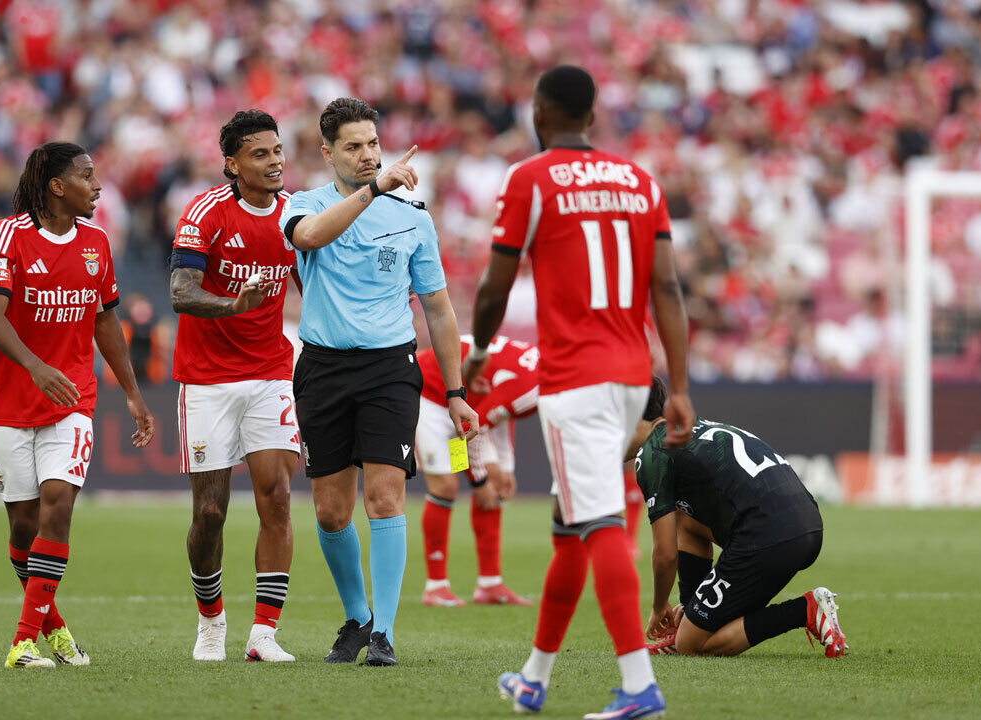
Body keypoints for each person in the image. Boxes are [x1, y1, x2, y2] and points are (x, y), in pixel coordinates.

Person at [462, 66, 695, 720]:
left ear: (539, 110)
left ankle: (639, 686)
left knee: (595, 526)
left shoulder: (529, 179)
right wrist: (677, 387)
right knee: (571, 528)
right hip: (631, 376)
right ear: (592, 114)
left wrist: (477, 352)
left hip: (573, 381)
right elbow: (669, 290)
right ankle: (534, 679)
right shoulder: (640, 181)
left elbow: (494, 288)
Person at [278, 97, 478, 667]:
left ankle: (385, 632)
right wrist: (374, 192)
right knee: (330, 512)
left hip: (391, 367)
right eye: (353, 147)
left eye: (373, 144)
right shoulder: (303, 203)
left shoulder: (414, 216)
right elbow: (310, 238)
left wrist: (458, 393)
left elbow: (438, 311)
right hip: (322, 368)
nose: (368, 155)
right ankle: (358, 616)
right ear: (327, 152)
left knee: (385, 497)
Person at [0, 141, 155, 670]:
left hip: (74, 396)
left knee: (59, 503)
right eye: (87, 176)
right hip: (10, 401)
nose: (98, 186)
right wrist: (34, 365)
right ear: (57, 186)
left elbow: (105, 322)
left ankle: (22, 641)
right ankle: (54, 630)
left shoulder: (98, 242)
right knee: (23, 529)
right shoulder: (8, 236)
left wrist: (133, 393)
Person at [168, 110, 300, 663]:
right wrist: (232, 304)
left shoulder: (297, 214)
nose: (274, 163)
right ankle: (211, 621)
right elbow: (180, 289)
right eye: (260, 154)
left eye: (277, 152)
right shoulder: (206, 213)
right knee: (211, 513)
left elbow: (313, 281)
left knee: (276, 495)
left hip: (271, 371)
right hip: (208, 380)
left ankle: (263, 633)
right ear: (232, 163)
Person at [630, 377, 848, 659]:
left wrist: (659, 607)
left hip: (767, 535)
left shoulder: (652, 452)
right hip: (807, 523)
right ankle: (690, 616)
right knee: (684, 517)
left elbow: (666, 554)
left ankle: (805, 610)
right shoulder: (696, 425)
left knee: (690, 646)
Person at [416, 334, 536, 607]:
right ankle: (435, 586)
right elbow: (472, 431)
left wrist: (506, 468)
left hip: (467, 409)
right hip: (432, 396)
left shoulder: (535, 378)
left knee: (498, 480)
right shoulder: (535, 389)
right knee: (447, 486)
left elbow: (503, 415)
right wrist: (479, 481)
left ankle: (490, 583)